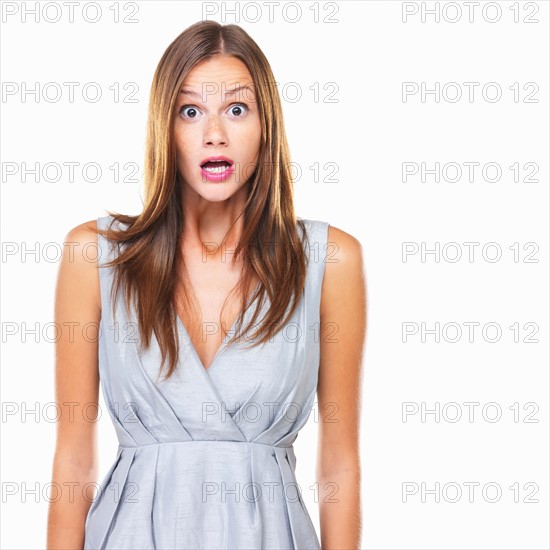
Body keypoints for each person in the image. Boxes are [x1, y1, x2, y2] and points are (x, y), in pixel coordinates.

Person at [46, 20, 366, 550]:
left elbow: (339, 465)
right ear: (164, 127)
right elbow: (74, 456)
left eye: (236, 110)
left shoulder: (330, 261)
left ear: (266, 125)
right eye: (190, 111)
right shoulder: (95, 255)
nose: (214, 133)